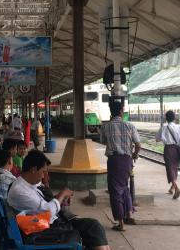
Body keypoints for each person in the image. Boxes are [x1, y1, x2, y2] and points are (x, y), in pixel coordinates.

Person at [7, 150, 110, 250]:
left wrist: (60, 200)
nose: (43, 176)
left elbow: (40, 205)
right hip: (42, 228)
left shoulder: (27, 185)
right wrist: (62, 194)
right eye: (43, 172)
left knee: (94, 227)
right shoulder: (19, 190)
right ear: (33, 169)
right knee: (93, 228)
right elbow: (48, 211)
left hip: (43, 223)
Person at [101, 100, 141, 231]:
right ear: (121, 111)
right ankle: (129, 214)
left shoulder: (106, 126)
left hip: (114, 161)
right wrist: (134, 155)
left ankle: (120, 223)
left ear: (111, 112)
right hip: (127, 160)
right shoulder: (130, 125)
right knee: (124, 187)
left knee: (115, 191)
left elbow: (102, 141)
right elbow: (138, 145)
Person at [156, 110, 180, 199]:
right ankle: (172, 187)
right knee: (175, 168)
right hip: (178, 149)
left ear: (166, 118)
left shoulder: (164, 128)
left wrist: (165, 138)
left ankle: (176, 188)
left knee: (170, 168)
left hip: (168, 150)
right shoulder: (179, 127)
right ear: (174, 118)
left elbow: (157, 139)